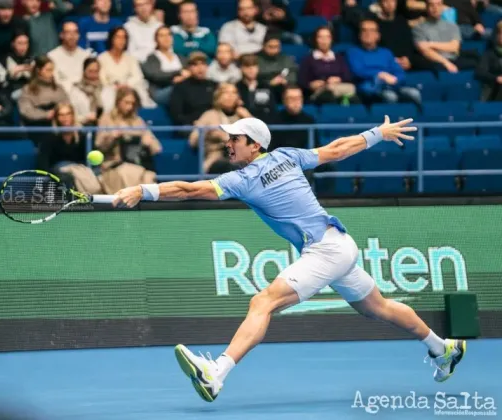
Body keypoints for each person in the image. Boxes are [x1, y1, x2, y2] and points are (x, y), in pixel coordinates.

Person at [111, 116, 467, 402]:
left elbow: (189, 190)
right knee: (377, 307)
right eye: (228, 137)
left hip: (326, 249)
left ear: (254, 145)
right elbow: (337, 150)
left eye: (235, 138)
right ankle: (443, 348)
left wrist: (143, 190)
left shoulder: (242, 179)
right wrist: (377, 133)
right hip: (337, 243)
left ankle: (216, 373)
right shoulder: (288, 156)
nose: (228, 143)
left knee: (262, 302)